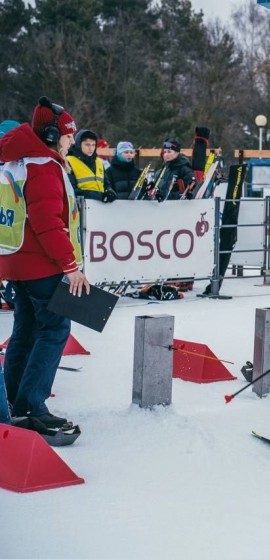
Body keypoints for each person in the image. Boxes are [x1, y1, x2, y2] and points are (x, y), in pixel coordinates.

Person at [0, 96, 90, 428]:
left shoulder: (18, 162)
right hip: (42, 265)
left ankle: (13, 399)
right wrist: (70, 265)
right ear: (51, 136)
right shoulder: (43, 166)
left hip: (18, 265)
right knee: (54, 329)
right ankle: (32, 405)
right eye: (67, 136)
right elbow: (47, 223)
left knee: (27, 329)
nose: (70, 142)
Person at [67, 128, 117, 203]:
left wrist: (109, 191)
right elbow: (71, 190)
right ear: (78, 144)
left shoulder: (99, 162)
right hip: (80, 208)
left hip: (101, 207)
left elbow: (106, 184)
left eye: (93, 145)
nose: (91, 148)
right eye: (87, 145)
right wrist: (99, 196)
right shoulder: (69, 161)